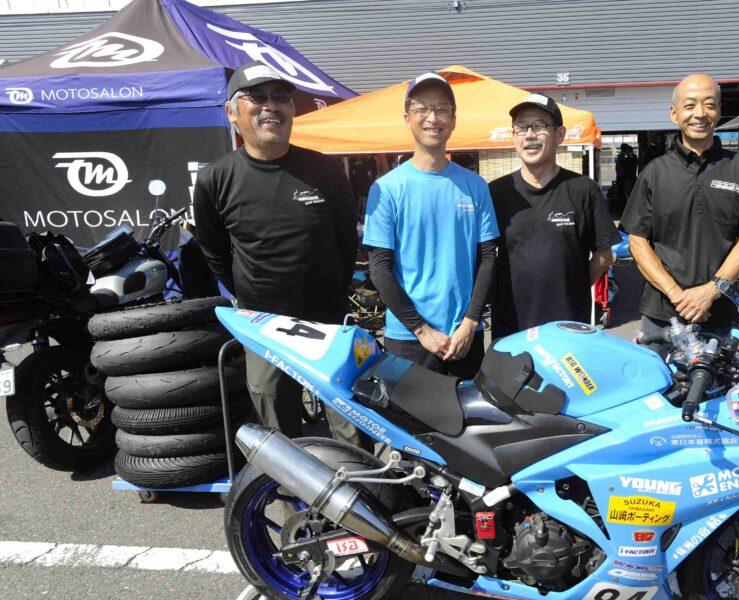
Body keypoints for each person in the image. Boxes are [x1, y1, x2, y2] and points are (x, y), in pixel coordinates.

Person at [191, 61, 363, 445]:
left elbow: (345, 242)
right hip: (263, 326)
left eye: (281, 97)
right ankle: (289, 485)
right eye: (257, 97)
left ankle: (359, 484)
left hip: (328, 323)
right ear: (232, 112)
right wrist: (251, 294)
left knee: (351, 426)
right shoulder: (215, 179)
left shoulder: (325, 170)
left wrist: (331, 296)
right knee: (279, 434)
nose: (271, 106)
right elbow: (215, 251)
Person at [363, 72, 499, 378]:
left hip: (465, 336)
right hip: (409, 339)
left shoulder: (475, 186)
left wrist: (471, 322)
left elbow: (488, 258)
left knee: (469, 410)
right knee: (409, 412)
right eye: (422, 108)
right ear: (407, 118)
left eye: (441, 109)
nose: (432, 117)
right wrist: (421, 330)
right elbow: (380, 269)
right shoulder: (387, 189)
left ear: (453, 119)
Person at [621, 73, 739, 338]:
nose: (700, 113)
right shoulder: (654, 172)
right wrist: (678, 295)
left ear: (719, 110)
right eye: (689, 105)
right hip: (662, 313)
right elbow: (637, 242)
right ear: (674, 114)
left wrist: (711, 291)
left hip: (720, 311)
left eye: (709, 104)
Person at [488, 93, 619, 339]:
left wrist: (573, 288)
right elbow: (484, 257)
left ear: (559, 135)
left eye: (540, 126)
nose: (529, 135)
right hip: (511, 326)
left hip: (568, 325)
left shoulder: (583, 189)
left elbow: (604, 256)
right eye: (521, 127)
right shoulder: (496, 192)